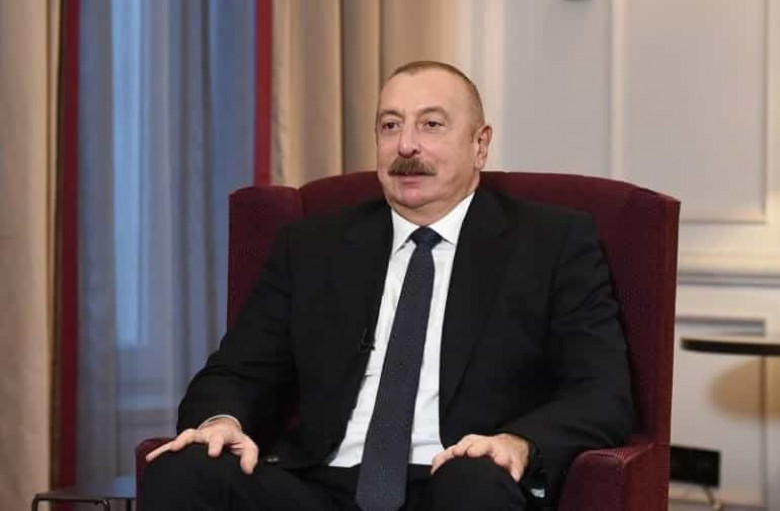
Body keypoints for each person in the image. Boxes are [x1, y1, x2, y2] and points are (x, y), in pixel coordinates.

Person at [142, 60, 633, 510]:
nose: (406, 146)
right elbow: (236, 372)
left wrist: (516, 444)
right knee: (183, 470)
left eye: (431, 125)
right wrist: (221, 421)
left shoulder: (551, 243)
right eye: (390, 125)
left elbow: (601, 394)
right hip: (317, 486)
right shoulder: (311, 246)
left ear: (480, 144)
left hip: (455, 483)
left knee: (474, 485)